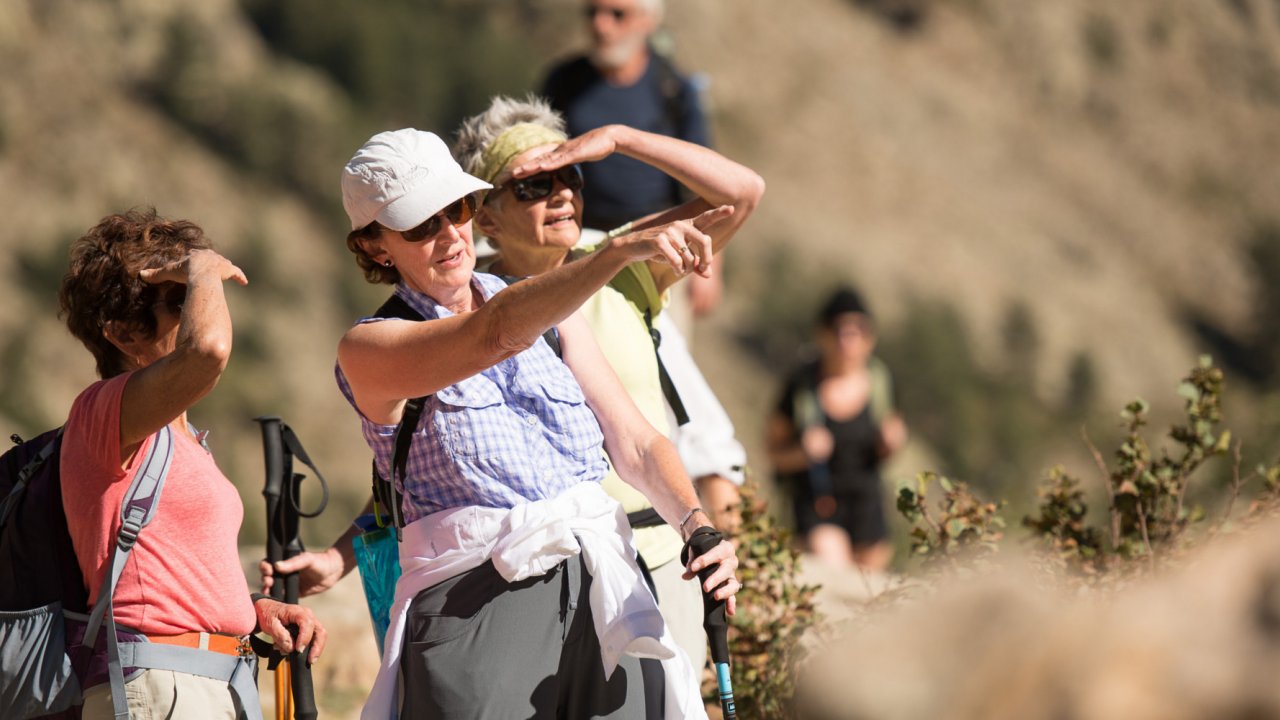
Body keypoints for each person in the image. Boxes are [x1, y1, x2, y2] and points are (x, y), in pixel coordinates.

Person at [262, 128, 742, 719]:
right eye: (419, 225)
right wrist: (617, 252)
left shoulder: (552, 315)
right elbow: (494, 335)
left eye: (456, 209)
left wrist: (698, 526)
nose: (449, 236)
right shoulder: (369, 345)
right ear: (376, 247)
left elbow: (638, 443)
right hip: (476, 607)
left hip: (605, 581)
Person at [453, 94, 763, 673]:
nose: (562, 193)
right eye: (533, 186)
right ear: (485, 216)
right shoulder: (468, 311)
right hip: (538, 573)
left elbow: (741, 193)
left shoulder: (625, 259)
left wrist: (621, 138)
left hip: (658, 556)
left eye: (568, 175)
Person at [57, 208, 326, 719]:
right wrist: (203, 265)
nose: (204, 304)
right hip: (160, 681)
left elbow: (167, 579)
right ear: (122, 333)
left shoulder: (179, 438)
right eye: (181, 298)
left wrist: (254, 612)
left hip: (204, 681)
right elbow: (208, 350)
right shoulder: (102, 411)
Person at [542, 0, 722, 330]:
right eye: (592, 12)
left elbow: (709, 178)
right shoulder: (564, 82)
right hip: (582, 250)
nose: (601, 25)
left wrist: (713, 261)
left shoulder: (673, 89)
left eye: (617, 14)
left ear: (648, 22)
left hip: (663, 250)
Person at [766, 287, 908, 572]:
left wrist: (891, 442)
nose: (848, 340)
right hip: (818, 504)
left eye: (858, 330)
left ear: (870, 338)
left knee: (868, 599)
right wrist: (802, 453)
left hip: (867, 508)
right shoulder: (802, 386)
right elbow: (773, 453)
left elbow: (886, 446)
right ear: (823, 334)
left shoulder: (880, 381)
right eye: (840, 329)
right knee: (836, 577)